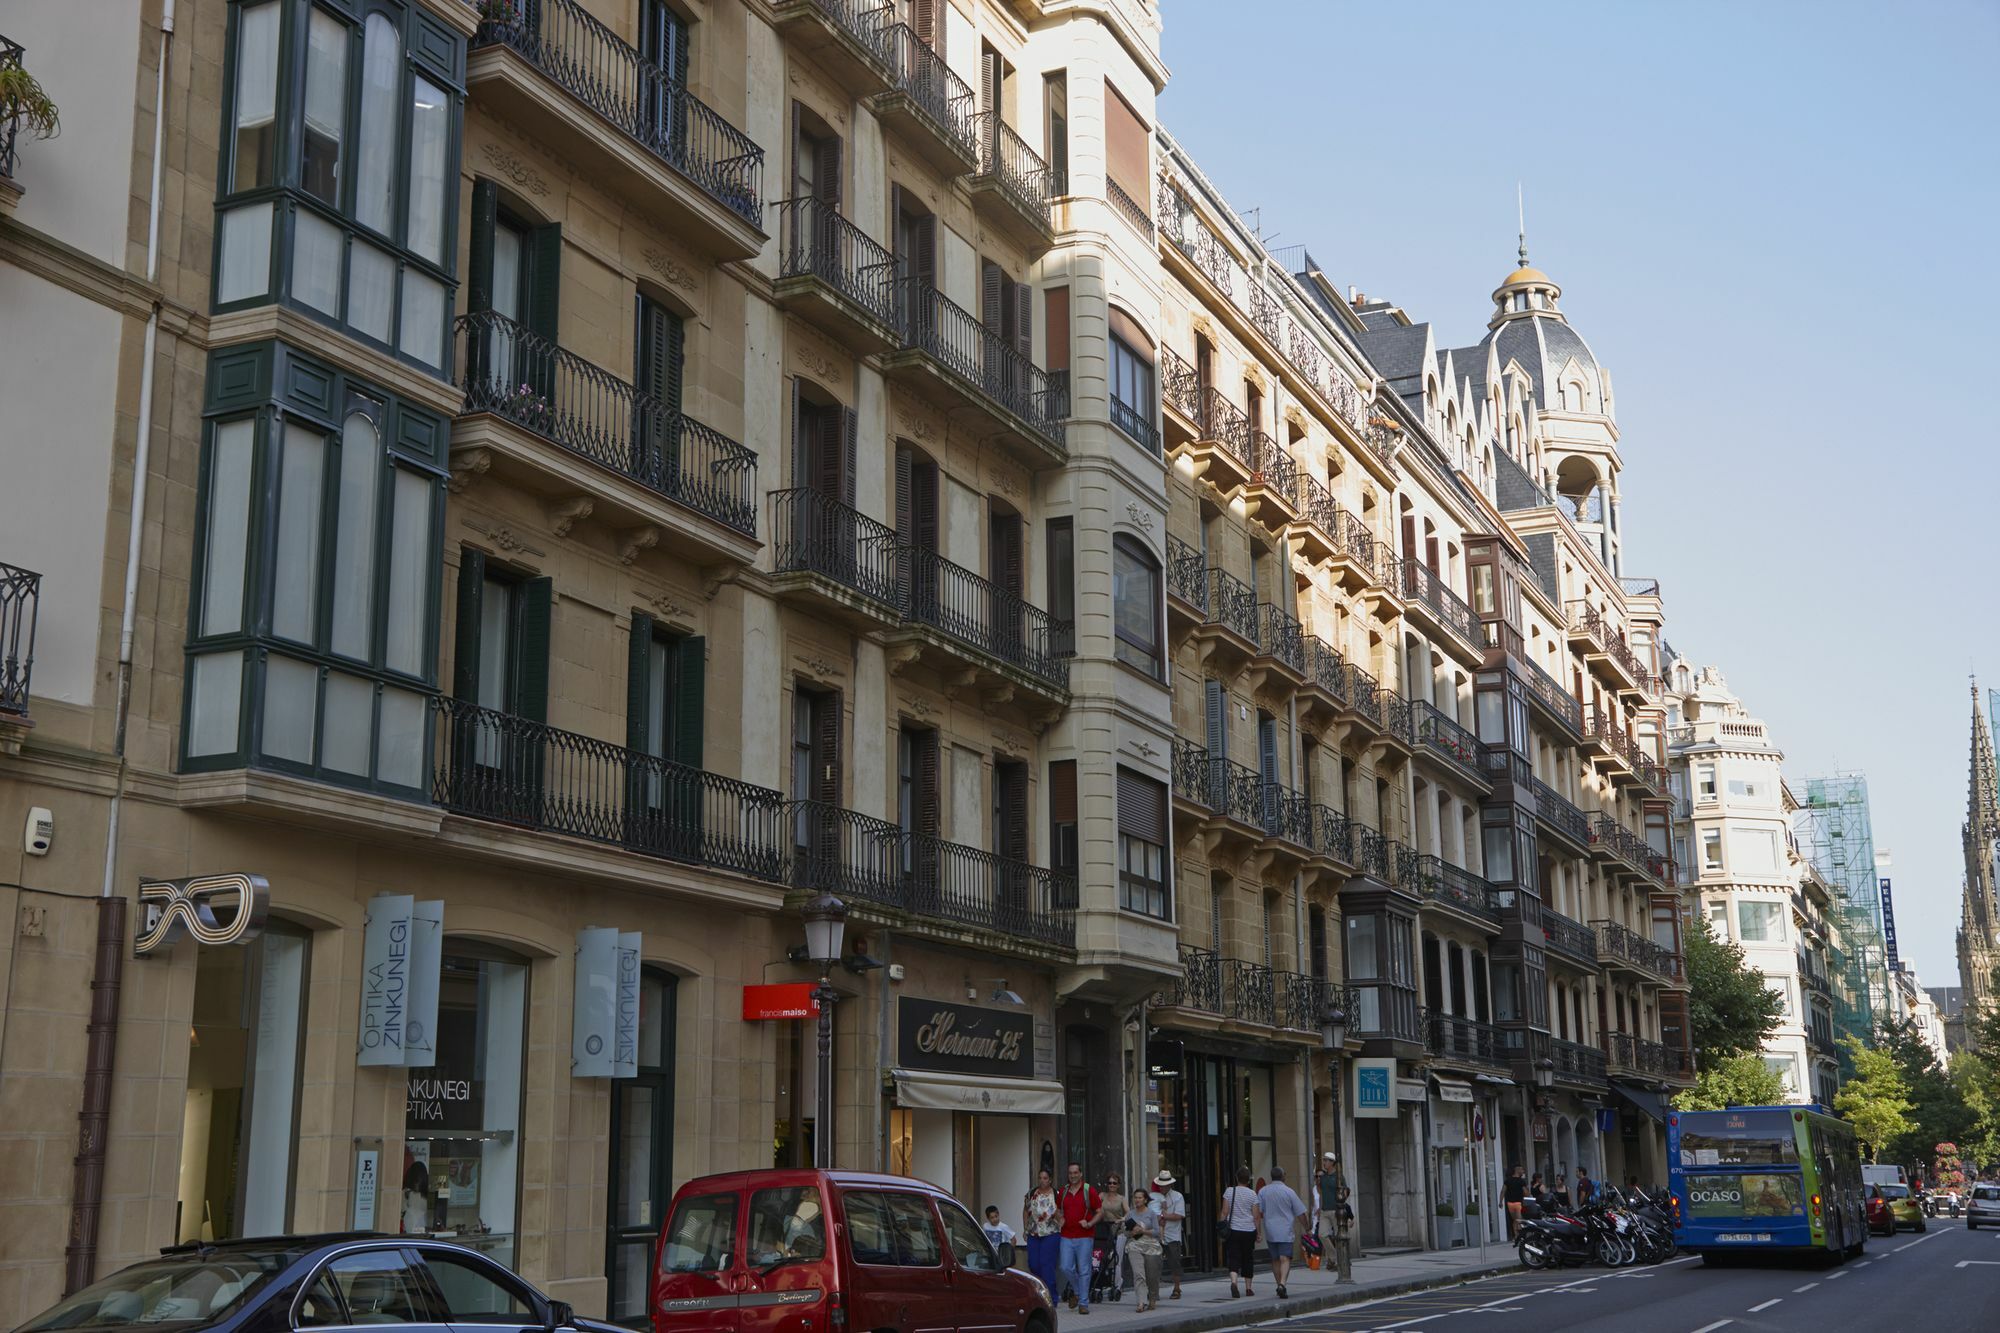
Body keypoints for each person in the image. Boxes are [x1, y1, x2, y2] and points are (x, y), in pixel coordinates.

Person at [1256, 1166, 1308, 1299]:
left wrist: (1258, 1230)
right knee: (1284, 1258)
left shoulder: (1263, 1191)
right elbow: (1301, 1213)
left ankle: (1279, 1283)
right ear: (1283, 1176)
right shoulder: (1289, 1192)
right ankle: (1283, 1284)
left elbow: (1257, 1212)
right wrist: (1307, 1227)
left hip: (1270, 1229)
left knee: (1275, 1259)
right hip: (1285, 1230)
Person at [1057, 1161, 1102, 1313]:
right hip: (1066, 1235)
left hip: (1085, 1236)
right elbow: (1057, 1210)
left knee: (1084, 1270)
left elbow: (1100, 1211)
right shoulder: (1063, 1191)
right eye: (1070, 1173)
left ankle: (1083, 1303)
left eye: (1075, 1172)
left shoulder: (1089, 1190)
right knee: (1065, 1267)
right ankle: (1077, 1291)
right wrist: (1060, 1219)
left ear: (1080, 1174)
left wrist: (1089, 1224)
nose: (1073, 1175)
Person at [1219, 1166, 1262, 1298]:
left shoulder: (1229, 1191)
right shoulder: (1252, 1194)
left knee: (1234, 1257)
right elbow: (1256, 1216)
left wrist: (1221, 1227)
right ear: (1248, 1180)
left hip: (1234, 1230)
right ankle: (1248, 1288)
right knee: (1248, 1258)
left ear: (1237, 1178)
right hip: (1248, 1230)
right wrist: (1258, 1233)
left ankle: (1234, 1282)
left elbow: (1224, 1212)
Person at [1022, 1169, 1061, 1305]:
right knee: (1033, 1264)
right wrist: (1025, 1228)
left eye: (1045, 1178)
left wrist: (1060, 1222)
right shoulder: (1032, 1193)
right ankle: (1039, 1295)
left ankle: (1051, 1298)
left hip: (1050, 1233)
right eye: (1040, 1178)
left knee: (1047, 1265)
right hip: (1034, 1232)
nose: (1042, 1180)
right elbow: (1026, 1211)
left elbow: (1061, 1214)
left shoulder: (1056, 1194)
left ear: (1050, 1180)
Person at [1124, 1188, 1164, 1312]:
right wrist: (1131, 1232)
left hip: (1151, 1245)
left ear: (1145, 1199)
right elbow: (1125, 1232)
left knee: (1152, 1275)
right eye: (1135, 1197)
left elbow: (1157, 1232)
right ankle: (1141, 1302)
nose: (1137, 1200)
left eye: (1140, 1197)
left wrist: (1143, 1231)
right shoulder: (1130, 1214)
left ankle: (1152, 1297)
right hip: (1134, 1245)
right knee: (1138, 1274)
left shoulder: (1151, 1213)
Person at [1152, 1170, 1187, 1300]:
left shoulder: (1177, 1197)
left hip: (1172, 1234)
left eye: (1165, 1185)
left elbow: (1179, 1215)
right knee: (1154, 1263)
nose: (1162, 1187)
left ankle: (1177, 1287)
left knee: (1174, 1262)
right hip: (1157, 1234)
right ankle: (1154, 1290)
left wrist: (1164, 1216)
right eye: (1161, 1185)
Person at [1096, 1173, 1129, 1296]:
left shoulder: (1121, 1199)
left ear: (1118, 1185)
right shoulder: (1102, 1196)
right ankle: (1102, 1283)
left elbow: (1128, 1213)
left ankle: (1118, 1285)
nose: (1111, 1185)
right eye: (1109, 1183)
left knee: (1117, 1258)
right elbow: (1095, 1208)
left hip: (1118, 1230)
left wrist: (1122, 1219)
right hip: (1104, 1230)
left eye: (1114, 1183)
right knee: (1103, 1257)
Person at [1317, 1152, 1343, 1247]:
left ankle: (1339, 1258)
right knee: (1321, 1235)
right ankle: (1333, 1257)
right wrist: (1320, 1208)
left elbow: (1345, 1192)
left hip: (1336, 1210)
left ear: (1332, 1162)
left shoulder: (1338, 1176)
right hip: (1324, 1210)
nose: (1324, 1162)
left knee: (1338, 1236)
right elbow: (1321, 1194)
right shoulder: (1323, 1178)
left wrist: (1342, 1207)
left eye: (1326, 1160)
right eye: (1323, 1160)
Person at [1503, 1165, 1527, 1240]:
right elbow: (1525, 1192)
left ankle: (1516, 1235)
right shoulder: (1521, 1181)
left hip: (1510, 1203)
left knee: (1515, 1220)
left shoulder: (1508, 1180)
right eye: (1522, 1170)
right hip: (1518, 1203)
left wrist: (1501, 1201)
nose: (1523, 1172)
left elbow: (1503, 1191)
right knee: (1519, 1220)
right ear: (1517, 1170)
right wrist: (1528, 1198)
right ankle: (1520, 1235)